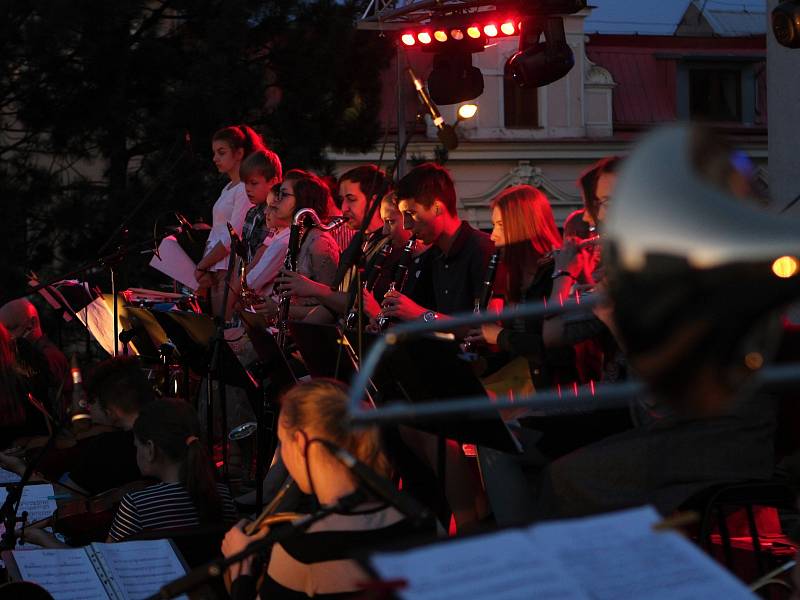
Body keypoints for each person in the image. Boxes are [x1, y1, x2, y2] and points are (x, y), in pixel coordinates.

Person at [222, 379, 428, 599]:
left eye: (283, 443)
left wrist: (241, 572)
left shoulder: (300, 547)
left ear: (301, 443)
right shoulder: (420, 521)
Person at [23, 398, 236, 546]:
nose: (136, 451)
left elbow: (108, 569)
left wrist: (43, 539)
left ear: (151, 449)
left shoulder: (137, 505)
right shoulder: (223, 496)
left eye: (137, 446)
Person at [464, 185, 574, 390]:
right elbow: (518, 354)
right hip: (529, 388)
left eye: (500, 225)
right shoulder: (515, 277)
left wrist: (499, 336)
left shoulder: (557, 276)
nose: (493, 235)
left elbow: (559, 352)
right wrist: (483, 364)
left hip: (559, 396)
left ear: (522, 227)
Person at [380, 162, 495, 323]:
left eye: (410, 213)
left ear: (437, 207)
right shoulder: (432, 256)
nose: (406, 225)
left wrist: (421, 315)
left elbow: (486, 327)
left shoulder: (482, 249)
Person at [275, 165, 389, 321]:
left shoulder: (387, 247)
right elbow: (334, 305)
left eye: (351, 199)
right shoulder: (360, 242)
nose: (343, 208)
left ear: (374, 202)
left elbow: (357, 303)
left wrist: (312, 288)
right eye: (342, 200)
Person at [195, 125, 267, 315]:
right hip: (217, 265)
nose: (215, 158)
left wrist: (202, 265)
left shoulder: (244, 189)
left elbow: (232, 236)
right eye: (214, 153)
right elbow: (218, 230)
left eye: (221, 152)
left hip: (229, 265)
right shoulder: (228, 188)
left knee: (225, 325)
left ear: (239, 153)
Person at [262, 170, 340, 321]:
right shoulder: (296, 236)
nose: (276, 201)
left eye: (284, 195)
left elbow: (331, 309)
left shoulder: (320, 243)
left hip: (309, 333)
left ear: (303, 200)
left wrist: (278, 310)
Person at [0, 298, 70, 414]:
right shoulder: (43, 353)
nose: (7, 337)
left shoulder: (49, 357)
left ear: (31, 324)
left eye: (11, 328)